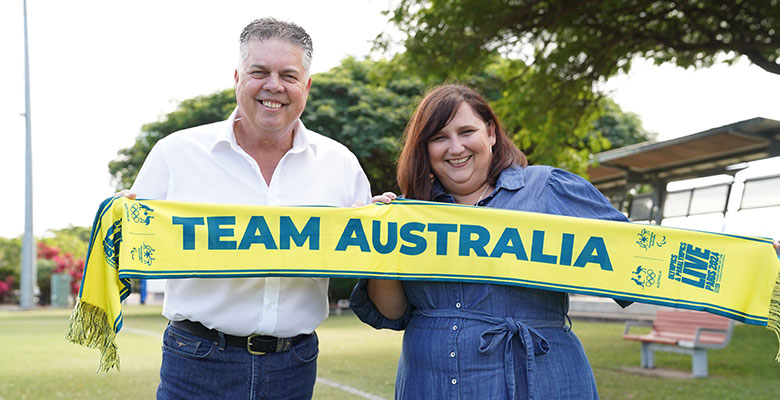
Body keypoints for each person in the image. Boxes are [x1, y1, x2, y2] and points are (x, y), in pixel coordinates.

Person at [122, 18, 371, 399]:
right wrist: (122, 222)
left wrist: (387, 222)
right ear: (238, 77)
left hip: (295, 365)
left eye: (288, 75)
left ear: (306, 86)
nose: (274, 86)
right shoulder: (176, 154)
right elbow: (134, 247)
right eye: (259, 72)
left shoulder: (341, 164)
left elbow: (367, 257)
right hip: (197, 362)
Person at [349, 84, 632, 399]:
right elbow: (391, 312)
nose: (455, 148)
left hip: (538, 382)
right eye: (439, 137)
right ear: (424, 148)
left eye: (466, 131)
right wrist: (378, 241)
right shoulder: (408, 214)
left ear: (492, 133)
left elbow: (635, 258)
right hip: (429, 384)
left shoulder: (548, 189)